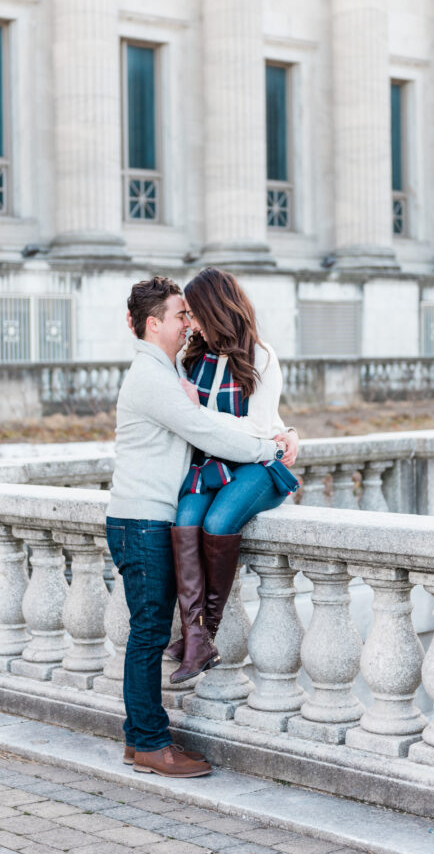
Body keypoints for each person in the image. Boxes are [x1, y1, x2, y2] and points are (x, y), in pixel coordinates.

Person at [107, 276, 292, 779]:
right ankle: (149, 743)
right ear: (153, 324)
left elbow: (238, 415)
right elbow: (204, 430)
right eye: (179, 316)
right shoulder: (155, 377)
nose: (187, 323)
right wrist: (270, 449)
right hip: (143, 521)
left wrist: (281, 431)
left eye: (191, 314)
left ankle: (137, 740)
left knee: (144, 634)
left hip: (145, 517)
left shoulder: (167, 368)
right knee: (147, 636)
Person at [166, 268, 299, 684]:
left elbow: (260, 429)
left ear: (215, 310)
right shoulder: (190, 359)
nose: (191, 324)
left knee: (219, 521)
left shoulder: (262, 357)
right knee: (186, 520)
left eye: (195, 314)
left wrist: (200, 417)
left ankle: (206, 633)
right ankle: (194, 637)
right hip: (208, 465)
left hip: (256, 466)